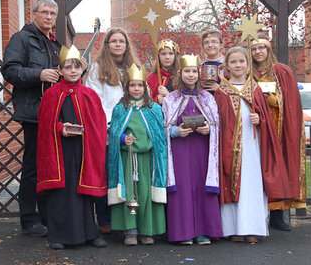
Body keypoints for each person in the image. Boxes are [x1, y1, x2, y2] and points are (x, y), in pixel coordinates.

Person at [215, 47, 292, 243]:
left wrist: (261, 119)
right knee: (231, 182)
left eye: (241, 61)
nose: (238, 65)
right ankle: (234, 229)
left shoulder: (256, 89)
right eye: (233, 62)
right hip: (229, 148)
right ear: (227, 66)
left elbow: (267, 116)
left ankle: (252, 228)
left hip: (253, 148)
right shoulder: (221, 92)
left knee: (251, 185)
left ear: (248, 65)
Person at [36, 45, 107, 250]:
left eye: (76, 67)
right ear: (60, 70)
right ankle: (58, 235)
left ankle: (90, 233)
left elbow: (98, 123)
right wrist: (60, 127)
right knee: (62, 191)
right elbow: (46, 123)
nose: (73, 71)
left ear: (81, 70)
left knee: (83, 190)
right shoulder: (51, 94)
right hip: (60, 150)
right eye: (68, 67)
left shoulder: (89, 94)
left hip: (84, 150)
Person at [2, 0, 61, 237]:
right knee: (32, 166)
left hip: (55, 112)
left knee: (50, 165)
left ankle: (46, 216)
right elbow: (10, 70)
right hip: (34, 112)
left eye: (52, 14)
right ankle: (29, 218)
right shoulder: (21, 38)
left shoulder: (55, 44)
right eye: (45, 12)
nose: (48, 17)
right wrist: (40, 74)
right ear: (34, 13)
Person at [85, 27, 140, 234]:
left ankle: (130, 219)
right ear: (107, 45)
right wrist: (110, 126)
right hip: (107, 129)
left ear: (126, 45)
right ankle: (106, 219)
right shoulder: (98, 68)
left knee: (129, 174)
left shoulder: (134, 67)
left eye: (121, 41)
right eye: (114, 41)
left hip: (132, 128)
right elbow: (95, 100)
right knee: (107, 174)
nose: (118, 44)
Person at [162, 54, 222, 245]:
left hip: (202, 150)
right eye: (187, 71)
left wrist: (209, 129)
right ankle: (184, 232)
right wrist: (175, 131)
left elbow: (217, 124)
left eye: (194, 71)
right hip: (180, 149)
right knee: (183, 189)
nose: (190, 75)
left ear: (199, 73)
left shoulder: (207, 98)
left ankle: (204, 231)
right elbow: (162, 126)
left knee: (200, 187)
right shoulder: (171, 99)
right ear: (180, 73)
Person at [108, 64, 167, 246]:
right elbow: (113, 132)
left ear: (145, 88)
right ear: (127, 88)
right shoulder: (120, 109)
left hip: (148, 159)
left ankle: (147, 230)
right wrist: (123, 138)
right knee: (130, 192)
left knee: (145, 193)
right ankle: (130, 231)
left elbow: (159, 136)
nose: (136, 89)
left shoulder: (154, 109)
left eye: (140, 85)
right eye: (132, 85)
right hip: (127, 159)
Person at [251, 35, 306, 231]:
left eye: (261, 48)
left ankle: (276, 216)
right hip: (255, 128)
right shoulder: (250, 72)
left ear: (268, 50)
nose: (258, 52)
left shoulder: (280, 70)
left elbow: (290, 100)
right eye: (254, 49)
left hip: (277, 128)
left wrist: (273, 101)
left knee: (276, 169)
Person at [146, 39, 180, 104]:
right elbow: (146, 101)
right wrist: (156, 100)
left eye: (170, 53)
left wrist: (169, 96)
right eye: (163, 54)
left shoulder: (181, 76)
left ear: (175, 56)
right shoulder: (151, 78)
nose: (167, 57)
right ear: (158, 56)